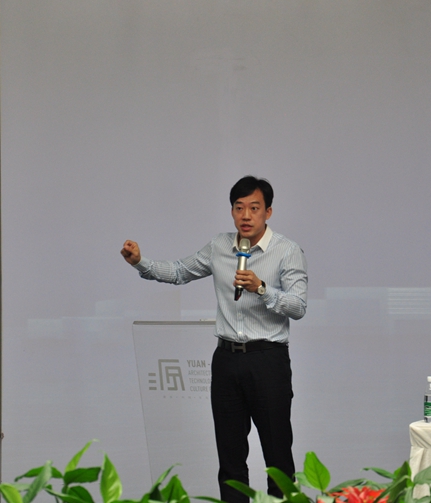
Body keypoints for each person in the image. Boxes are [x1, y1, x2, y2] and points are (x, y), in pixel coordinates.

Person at [120, 176, 308, 503]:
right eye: (239, 208)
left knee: (278, 456)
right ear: (232, 211)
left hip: (268, 361)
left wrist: (262, 289)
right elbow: (179, 271)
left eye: (254, 208)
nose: (246, 216)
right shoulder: (220, 246)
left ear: (268, 212)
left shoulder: (287, 251)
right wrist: (141, 263)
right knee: (230, 458)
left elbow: (298, 306)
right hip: (227, 361)